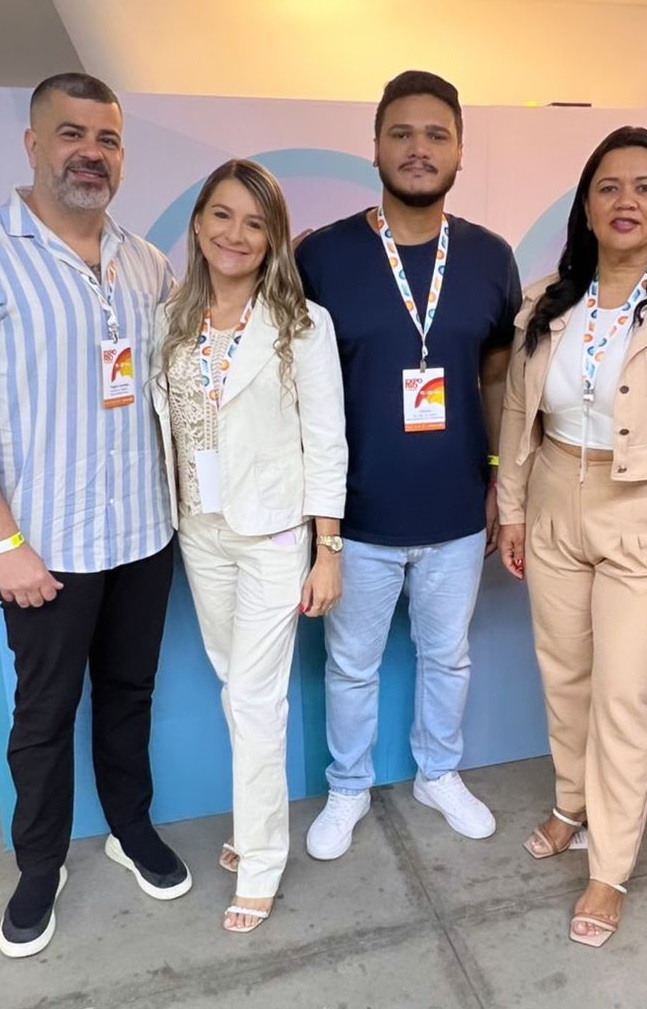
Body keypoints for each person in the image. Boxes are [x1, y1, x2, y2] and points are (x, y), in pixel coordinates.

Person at [496, 126, 647, 948]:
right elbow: (517, 412)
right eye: (607, 186)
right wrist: (512, 509)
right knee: (564, 673)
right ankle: (570, 802)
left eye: (643, 187)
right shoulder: (546, 301)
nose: (624, 201)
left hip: (646, 514)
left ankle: (607, 866)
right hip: (553, 496)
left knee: (623, 694)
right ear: (585, 205)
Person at [295, 70, 521, 858]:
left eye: (435, 135)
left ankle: (438, 773)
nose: (418, 149)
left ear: (459, 150)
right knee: (350, 664)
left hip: (457, 511)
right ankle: (348, 786)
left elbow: (496, 376)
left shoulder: (489, 257)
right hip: (355, 516)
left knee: (447, 656)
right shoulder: (322, 256)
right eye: (401, 133)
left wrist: (496, 474)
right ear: (375, 147)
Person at [0, 74, 191, 959]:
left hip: (144, 533)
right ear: (32, 144)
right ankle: (39, 864)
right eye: (71, 134)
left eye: (107, 138)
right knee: (43, 714)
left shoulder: (147, 264)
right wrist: (4, 541)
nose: (90, 153)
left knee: (128, 693)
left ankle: (129, 826)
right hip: (43, 546)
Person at [152, 160, 347, 933]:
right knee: (237, 685)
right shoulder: (170, 318)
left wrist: (327, 548)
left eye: (254, 223)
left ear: (273, 239)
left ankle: (261, 858)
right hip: (199, 530)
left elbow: (326, 440)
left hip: (272, 536)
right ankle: (252, 815)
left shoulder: (302, 325)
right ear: (199, 222)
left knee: (257, 698)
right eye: (222, 216)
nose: (235, 234)